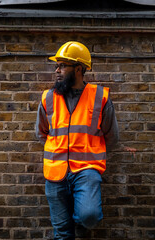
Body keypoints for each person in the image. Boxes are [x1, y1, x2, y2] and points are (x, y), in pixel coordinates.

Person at [35, 41, 119, 240]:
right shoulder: (48, 98)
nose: (57, 70)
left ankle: (78, 216)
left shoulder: (100, 97)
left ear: (79, 69)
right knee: (62, 234)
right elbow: (41, 133)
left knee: (89, 216)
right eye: (57, 66)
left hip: (87, 170)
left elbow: (112, 136)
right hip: (55, 172)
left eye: (63, 66)